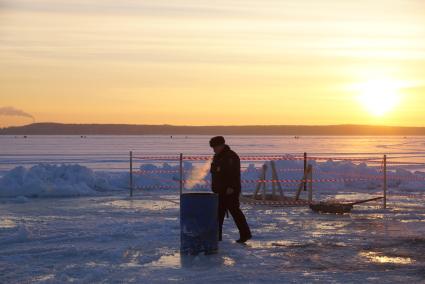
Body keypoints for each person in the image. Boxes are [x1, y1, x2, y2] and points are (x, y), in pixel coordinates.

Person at [209, 136, 252, 243]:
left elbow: (234, 173)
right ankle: (216, 236)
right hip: (220, 191)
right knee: (217, 215)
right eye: (213, 147)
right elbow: (215, 172)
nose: (214, 149)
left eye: (215, 147)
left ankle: (245, 234)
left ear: (222, 145)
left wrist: (231, 187)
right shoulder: (217, 157)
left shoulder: (231, 156)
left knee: (235, 212)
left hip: (230, 191)